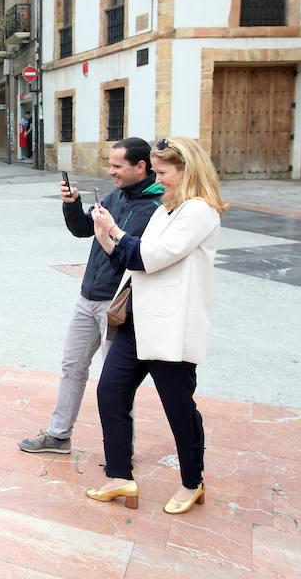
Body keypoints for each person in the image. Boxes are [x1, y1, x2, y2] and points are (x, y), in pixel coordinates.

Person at [86, 136, 228, 514]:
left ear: (187, 170)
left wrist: (113, 232)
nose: (158, 179)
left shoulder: (199, 212)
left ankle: (192, 482)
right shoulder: (168, 209)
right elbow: (131, 259)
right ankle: (119, 477)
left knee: (178, 408)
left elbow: (149, 257)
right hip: (138, 321)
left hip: (171, 328)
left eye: (164, 172)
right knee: (110, 393)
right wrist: (107, 236)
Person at [18, 138, 163, 455]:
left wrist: (111, 231)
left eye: (116, 166)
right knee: (72, 366)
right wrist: (72, 204)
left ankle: (121, 449)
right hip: (88, 296)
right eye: (109, 165)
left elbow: (140, 257)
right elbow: (83, 228)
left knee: (115, 381)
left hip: (119, 303)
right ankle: (58, 435)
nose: (110, 172)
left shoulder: (155, 208)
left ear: (140, 167)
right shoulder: (116, 195)